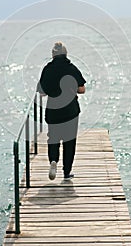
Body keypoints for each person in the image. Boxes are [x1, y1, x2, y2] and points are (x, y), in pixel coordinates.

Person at [37, 41, 86, 181]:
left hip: (53, 111)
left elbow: (42, 93)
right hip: (70, 110)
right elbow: (82, 89)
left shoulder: (47, 69)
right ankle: (66, 172)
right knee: (69, 142)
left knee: (53, 138)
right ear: (66, 54)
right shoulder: (72, 68)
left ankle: (53, 160)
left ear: (53, 55)